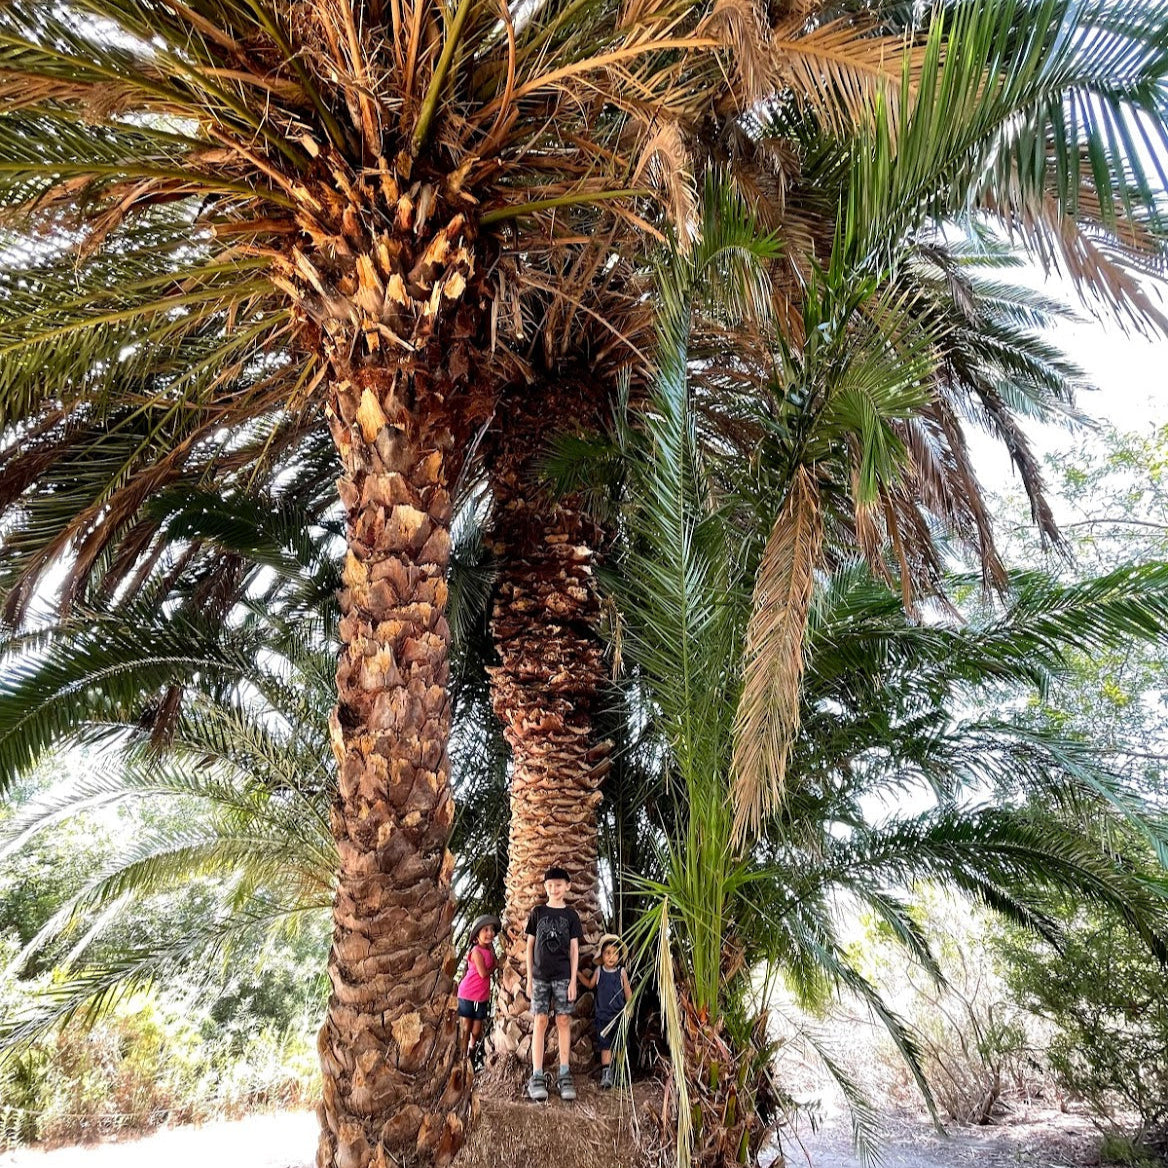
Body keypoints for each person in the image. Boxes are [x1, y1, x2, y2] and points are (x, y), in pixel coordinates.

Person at [525, 866, 584, 1102]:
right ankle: (537, 1074)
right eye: (550, 885)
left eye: (558, 885)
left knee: (562, 1020)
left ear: (567, 887)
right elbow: (529, 947)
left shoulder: (571, 916)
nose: (554, 889)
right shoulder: (537, 912)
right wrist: (529, 978)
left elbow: (574, 950)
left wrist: (572, 980)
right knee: (540, 1020)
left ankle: (564, 1073)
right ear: (545, 887)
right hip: (540, 977)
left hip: (562, 977)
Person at [579, 932, 632, 1088]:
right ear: (601, 956)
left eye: (615, 953)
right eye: (608, 953)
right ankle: (606, 1074)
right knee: (606, 1046)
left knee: (620, 1045)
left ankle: (621, 1073)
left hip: (619, 1016)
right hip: (603, 1016)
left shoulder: (621, 972)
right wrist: (578, 975)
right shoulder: (599, 971)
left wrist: (630, 1008)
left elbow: (628, 992)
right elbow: (590, 984)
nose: (611, 957)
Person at [457, 913, 500, 1060]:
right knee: (466, 1026)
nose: (490, 933)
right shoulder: (476, 951)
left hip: (481, 996)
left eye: (492, 930)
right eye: (486, 930)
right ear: (477, 935)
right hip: (468, 993)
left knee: (476, 1029)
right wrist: (495, 966)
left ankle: (471, 1049)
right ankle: (463, 1056)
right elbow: (483, 973)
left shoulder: (490, 950)